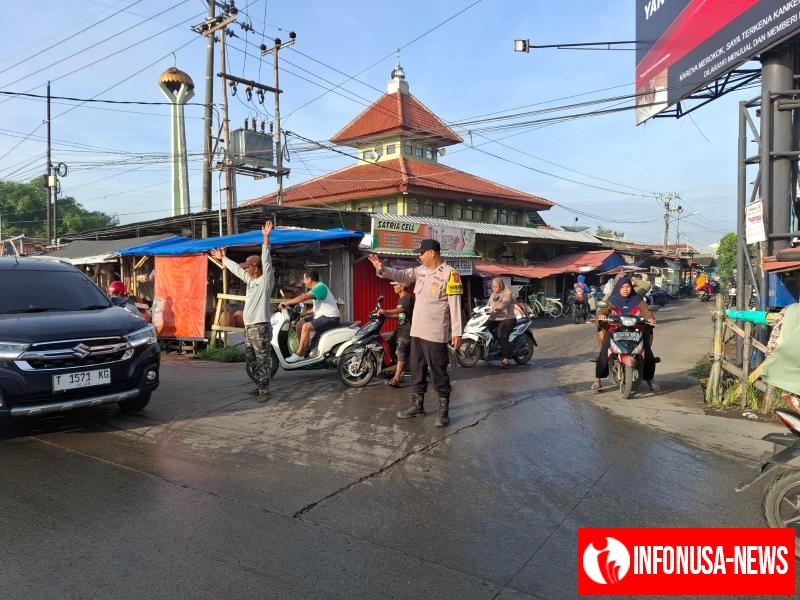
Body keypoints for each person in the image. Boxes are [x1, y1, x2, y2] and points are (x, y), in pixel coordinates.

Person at [367, 239, 463, 427]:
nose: (419, 256)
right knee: (417, 369)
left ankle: (443, 412)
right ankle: (417, 405)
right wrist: (382, 268)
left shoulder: (450, 274)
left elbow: (455, 305)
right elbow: (402, 275)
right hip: (417, 331)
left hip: (435, 333)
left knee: (438, 371)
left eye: (422, 252)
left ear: (432, 253)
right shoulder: (421, 271)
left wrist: (457, 331)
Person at [210, 220, 274, 403]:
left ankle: (264, 390)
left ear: (256, 268)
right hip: (249, 327)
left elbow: (267, 261)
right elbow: (237, 270)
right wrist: (223, 259)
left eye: (249, 267)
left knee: (263, 359)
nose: (246, 269)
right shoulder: (250, 281)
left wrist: (266, 238)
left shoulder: (265, 281)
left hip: (260, 327)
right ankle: (259, 385)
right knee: (251, 360)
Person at [592, 275, 658, 392]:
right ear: (618, 288)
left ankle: (650, 379)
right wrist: (601, 316)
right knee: (604, 353)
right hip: (615, 330)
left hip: (635, 330)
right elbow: (602, 310)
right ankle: (597, 380)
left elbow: (646, 311)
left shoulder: (638, 300)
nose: (626, 289)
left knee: (647, 354)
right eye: (623, 287)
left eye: (628, 286)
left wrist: (650, 318)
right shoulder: (612, 300)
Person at [279, 269, 341, 363]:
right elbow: (316, 309)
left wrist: (287, 302)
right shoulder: (317, 289)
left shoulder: (320, 287)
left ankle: (299, 354)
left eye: (304, 279)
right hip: (322, 316)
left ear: (310, 279)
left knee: (306, 326)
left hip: (331, 318)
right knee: (300, 324)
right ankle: (303, 350)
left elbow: (304, 297)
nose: (304, 282)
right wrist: (302, 314)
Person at [381, 281, 415, 387]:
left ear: (402, 286)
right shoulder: (401, 299)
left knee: (401, 352)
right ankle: (394, 370)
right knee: (389, 345)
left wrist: (385, 311)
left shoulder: (408, 297)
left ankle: (396, 378)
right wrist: (386, 316)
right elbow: (401, 316)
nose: (394, 287)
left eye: (396, 285)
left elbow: (402, 310)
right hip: (400, 329)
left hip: (406, 330)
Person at [486, 277, 515, 368]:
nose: (493, 288)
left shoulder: (507, 293)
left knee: (501, 334)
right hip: (494, 318)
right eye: (492, 286)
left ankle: (506, 359)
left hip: (507, 318)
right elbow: (488, 304)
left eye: (495, 286)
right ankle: (493, 349)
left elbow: (506, 302)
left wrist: (499, 307)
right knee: (485, 328)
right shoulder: (493, 294)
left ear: (500, 285)